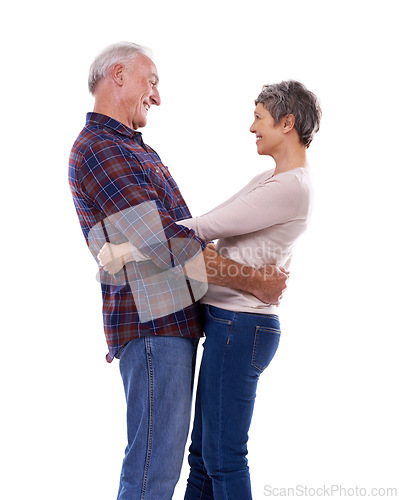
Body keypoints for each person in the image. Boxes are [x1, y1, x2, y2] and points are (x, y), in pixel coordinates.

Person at [68, 42, 288, 500]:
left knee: (175, 467)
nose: (158, 96)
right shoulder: (99, 148)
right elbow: (164, 242)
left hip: (173, 325)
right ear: (119, 75)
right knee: (153, 474)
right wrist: (254, 280)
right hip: (153, 327)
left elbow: (171, 235)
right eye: (153, 82)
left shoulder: (133, 148)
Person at [99, 79, 321, 499]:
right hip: (228, 324)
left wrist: (129, 246)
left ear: (287, 122)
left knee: (224, 459)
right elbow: (207, 227)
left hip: (243, 326)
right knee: (202, 459)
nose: (251, 127)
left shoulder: (294, 187)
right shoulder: (271, 179)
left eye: (259, 118)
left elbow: (203, 229)